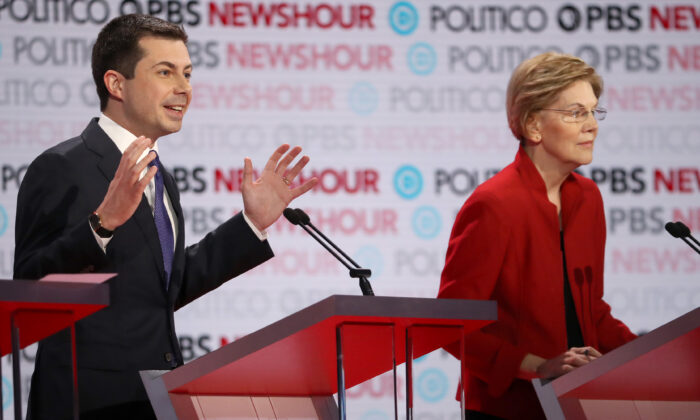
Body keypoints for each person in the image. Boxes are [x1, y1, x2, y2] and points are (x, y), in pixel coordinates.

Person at [13, 14, 317, 419]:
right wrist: (100, 225)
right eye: (165, 72)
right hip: (86, 402)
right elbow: (28, 290)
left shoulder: (161, 178)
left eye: (188, 74)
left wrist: (250, 224)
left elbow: (162, 290)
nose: (184, 89)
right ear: (116, 84)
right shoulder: (62, 167)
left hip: (154, 399)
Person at [437, 52, 637, 420]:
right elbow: (452, 326)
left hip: (578, 402)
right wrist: (539, 366)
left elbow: (591, 312)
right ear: (533, 126)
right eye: (576, 113)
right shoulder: (494, 204)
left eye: (594, 112)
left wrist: (650, 357)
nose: (592, 125)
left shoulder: (587, 198)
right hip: (509, 408)